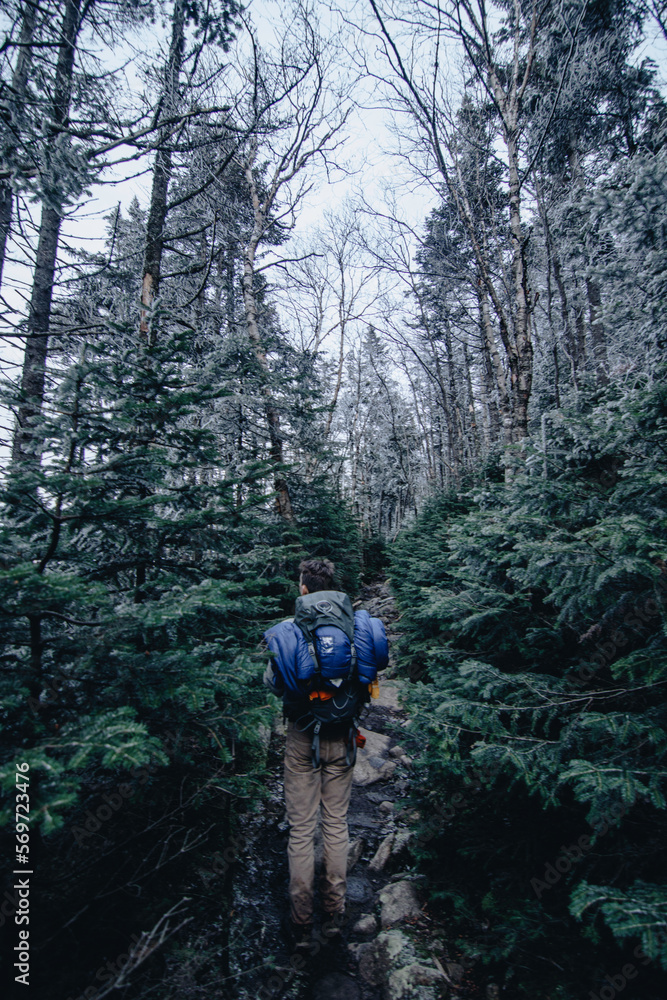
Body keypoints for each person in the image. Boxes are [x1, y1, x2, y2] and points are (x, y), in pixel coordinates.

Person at [263, 558, 362, 947]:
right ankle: (334, 915)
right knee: (336, 824)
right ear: (332, 587)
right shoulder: (354, 625)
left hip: (302, 736)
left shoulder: (290, 629)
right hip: (343, 736)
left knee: (302, 830)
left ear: (303, 589)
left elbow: (273, 684)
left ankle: (302, 923)